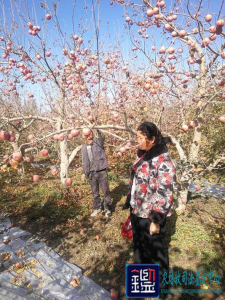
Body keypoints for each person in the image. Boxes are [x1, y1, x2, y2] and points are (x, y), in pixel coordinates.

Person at [123, 121, 175, 298]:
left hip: (151, 215)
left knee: (156, 253)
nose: (137, 141)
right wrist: (131, 207)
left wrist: (156, 220)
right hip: (138, 210)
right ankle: (142, 284)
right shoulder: (142, 155)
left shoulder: (163, 161)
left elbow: (165, 192)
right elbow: (137, 183)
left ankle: (161, 289)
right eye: (136, 137)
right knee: (139, 249)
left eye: (140, 138)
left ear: (152, 139)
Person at [81, 129, 112, 217]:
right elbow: (84, 161)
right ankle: (97, 208)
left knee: (105, 191)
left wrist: (95, 128)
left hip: (101, 171)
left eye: (90, 133)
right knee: (95, 192)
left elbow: (102, 135)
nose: (89, 135)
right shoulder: (83, 147)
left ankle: (107, 209)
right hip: (91, 173)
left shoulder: (98, 142)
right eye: (87, 134)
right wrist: (84, 173)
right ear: (84, 136)